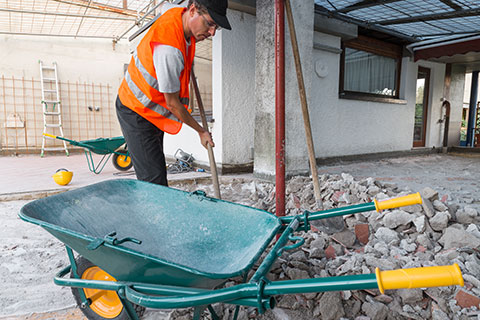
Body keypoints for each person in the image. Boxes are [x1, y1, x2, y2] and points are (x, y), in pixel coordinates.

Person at [116, 0, 231, 186]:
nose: (212, 33)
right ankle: (154, 212)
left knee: (156, 167)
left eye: (216, 27)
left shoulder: (178, 12)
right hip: (135, 108)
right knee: (153, 180)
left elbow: (164, 7)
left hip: (152, 109)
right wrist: (201, 131)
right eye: (209, 24)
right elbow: (172, 104)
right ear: (192, 10)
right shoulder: (169, 51)